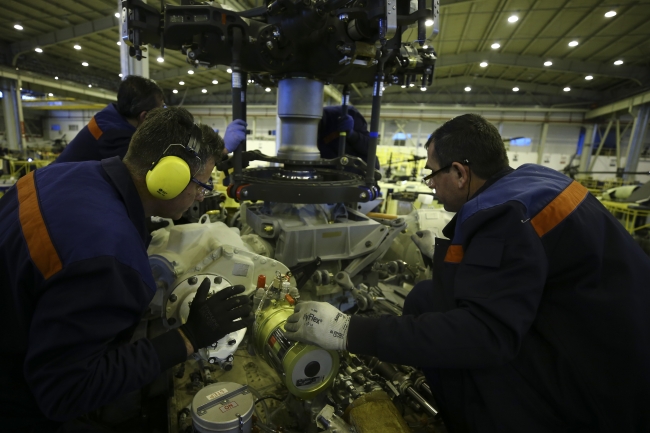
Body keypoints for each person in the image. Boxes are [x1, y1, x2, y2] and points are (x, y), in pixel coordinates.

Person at [284, 113, 650, 432]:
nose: (431, 185)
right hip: (609, 337)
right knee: (427, 296)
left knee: (455, 341)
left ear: (459, 172)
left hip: (603, 387)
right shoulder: (533, 182)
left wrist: (348, 330)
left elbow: (484, 336)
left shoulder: (502, 216)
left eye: (432, 174)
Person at [0, 106, 253, 432]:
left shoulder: (61, 174)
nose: (201, 198)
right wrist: (188, 338)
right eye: (202, 186)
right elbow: (64, 392)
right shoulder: (109, 255)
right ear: (169, 179)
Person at [55, 75, 247, 163]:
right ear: (145, 116)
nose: (163, 112)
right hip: (57, 200)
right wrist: (220, 150)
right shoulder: (114, 137)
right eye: (161, 108)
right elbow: (166, 159)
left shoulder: (115, 116)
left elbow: (175, 142)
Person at [317, 105, 380, 171]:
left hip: (361, 173)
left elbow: (370, 148)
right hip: (330, 174)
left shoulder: (346, 113)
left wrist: (352, 134)